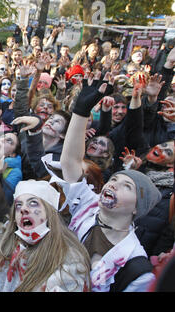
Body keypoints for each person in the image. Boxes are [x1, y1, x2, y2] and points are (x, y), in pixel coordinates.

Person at [57, 74, 160, 292]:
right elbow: (70, 161)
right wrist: (80, 111)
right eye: (114, 180)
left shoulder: (137, 268)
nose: (113, 185)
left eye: (127, 186)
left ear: (137, 208)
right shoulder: (88, 204)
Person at [0, 179, 91, 292]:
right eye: (19, 205)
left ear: (50, 213)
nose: (23, 209)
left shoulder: (69, 261)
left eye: (33, 203)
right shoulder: (2, 242)